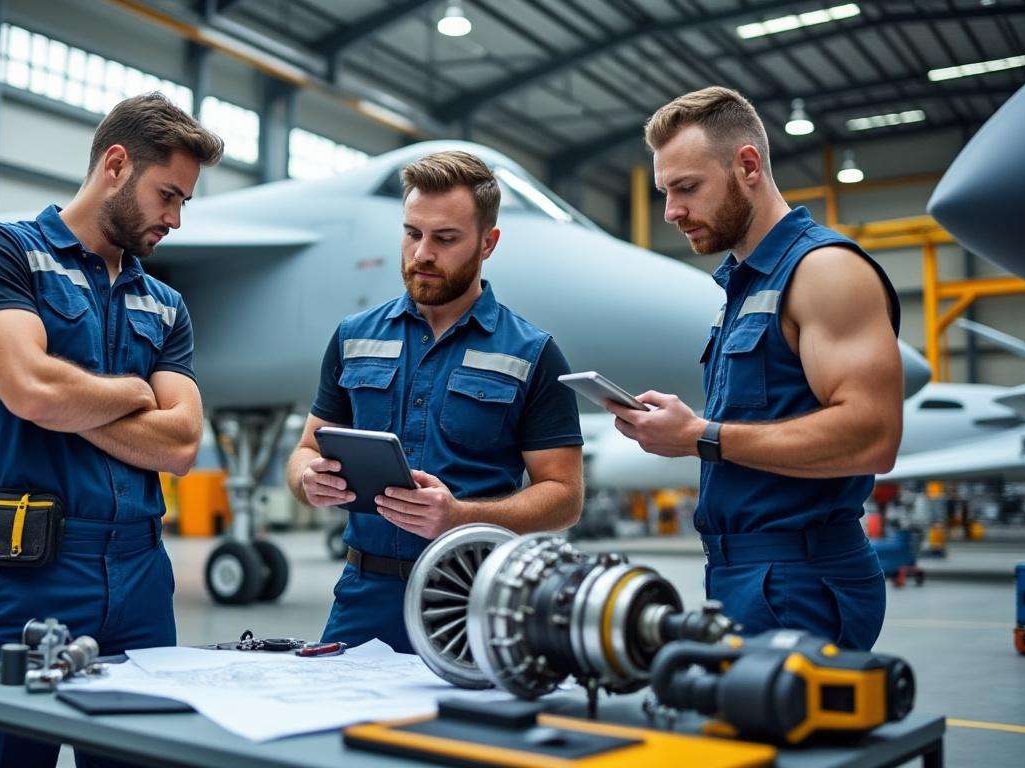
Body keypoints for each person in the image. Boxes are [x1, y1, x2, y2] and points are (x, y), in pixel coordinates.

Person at [0, 92, 222, 767]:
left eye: (184, 202)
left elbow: (182, 445)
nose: (175, 219)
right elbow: (33, 391)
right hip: (27, 573)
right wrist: (131, 394)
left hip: (141, 579)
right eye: (168, 195)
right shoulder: (4, 254)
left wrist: (65, 400)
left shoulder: (165, 303)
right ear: (116, 164)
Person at [605, 87, 903, 651]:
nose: (671, 211)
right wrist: (692, 428)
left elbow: (874, 437)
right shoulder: (747, 286)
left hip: (801, 579)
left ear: (747, 166)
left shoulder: (825, 271)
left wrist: (700, 437)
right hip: (744, 574)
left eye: (687, 188)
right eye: (665, 192)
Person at [285, 150, 585, 653]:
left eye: (445, 239)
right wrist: (307, 480)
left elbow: (565, 497)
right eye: (412, 233)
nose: (422, 253)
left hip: (473, 596)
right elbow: (303, 451)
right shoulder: (353, 337)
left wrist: (458, 517)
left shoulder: (531, 353)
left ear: (488, 243)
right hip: (364, 598)